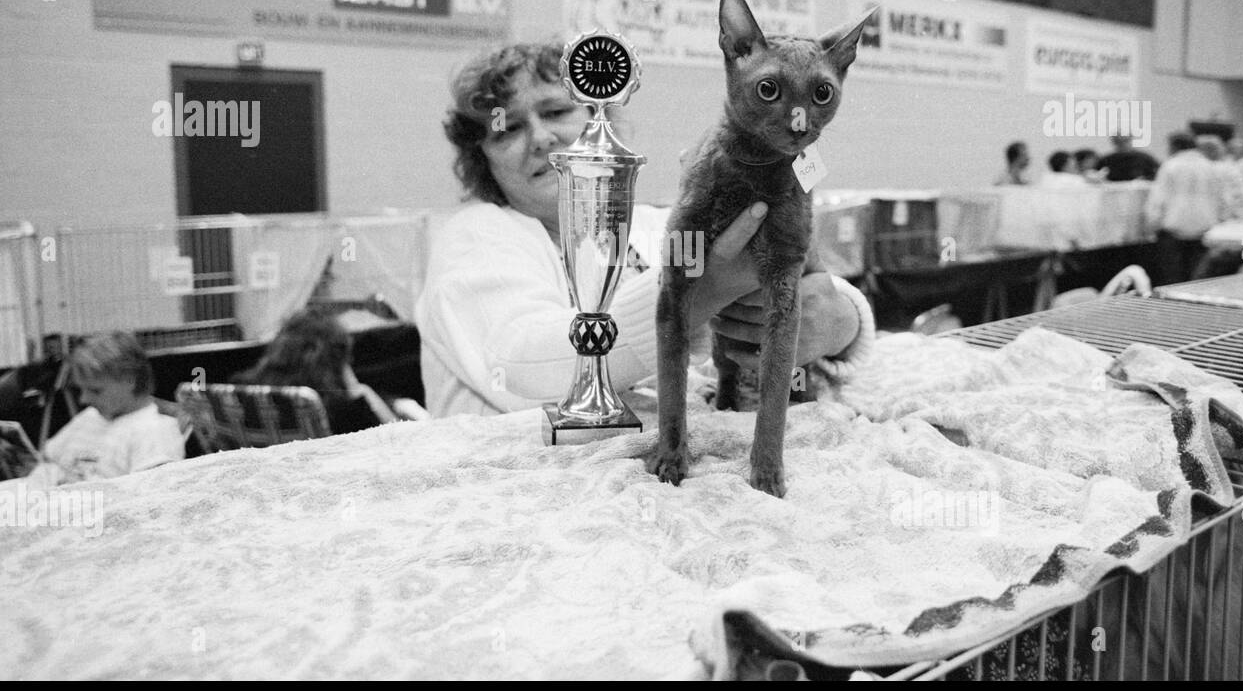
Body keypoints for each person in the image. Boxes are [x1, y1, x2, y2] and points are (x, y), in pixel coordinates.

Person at [416, 40, 874, 418]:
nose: (540, 138)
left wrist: (844, 322)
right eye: (508, 129)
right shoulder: (474, 239)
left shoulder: (649, 224)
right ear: (482, 158)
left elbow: (803, 293)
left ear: (600, 119)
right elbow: (523, 371)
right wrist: (693, 293)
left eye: (556, 112)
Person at [10, 332, 185, 489]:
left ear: (129, 381)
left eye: (95, 390)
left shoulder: (155, 431)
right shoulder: (90, 417)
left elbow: (147, 499)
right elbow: (48, 460)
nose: (83, 399)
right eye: (81, 389)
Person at [233, 308, 398, 434]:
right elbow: (396, 441)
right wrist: (358, 388)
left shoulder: (242, 392)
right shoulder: (342, 413)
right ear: (337, 358)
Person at [1145, 133, 1236, 285]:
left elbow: (1157, 199)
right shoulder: (1211, 166)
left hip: (1174, 230)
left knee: (1173, 280)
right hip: (1205, 230)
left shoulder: (1170, 166)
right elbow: (1225, 200)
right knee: (1199, 279)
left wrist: (1151, 225)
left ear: (1174, 146)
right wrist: (1222, 223)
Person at [1196, 134, 1243, 223]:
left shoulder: (1204, 170)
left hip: (1216, 219)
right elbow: (1242, 197)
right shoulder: (1232, 168)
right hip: (1237, 219)